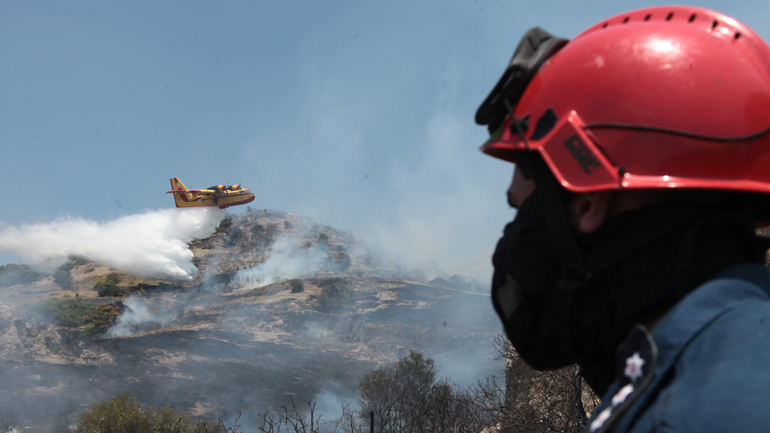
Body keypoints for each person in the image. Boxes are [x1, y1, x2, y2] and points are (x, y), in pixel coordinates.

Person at [475, 6, 770, 433]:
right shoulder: (701, 370)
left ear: (590, 201)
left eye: (525, 211)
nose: (515, 239)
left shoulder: (695, 411)